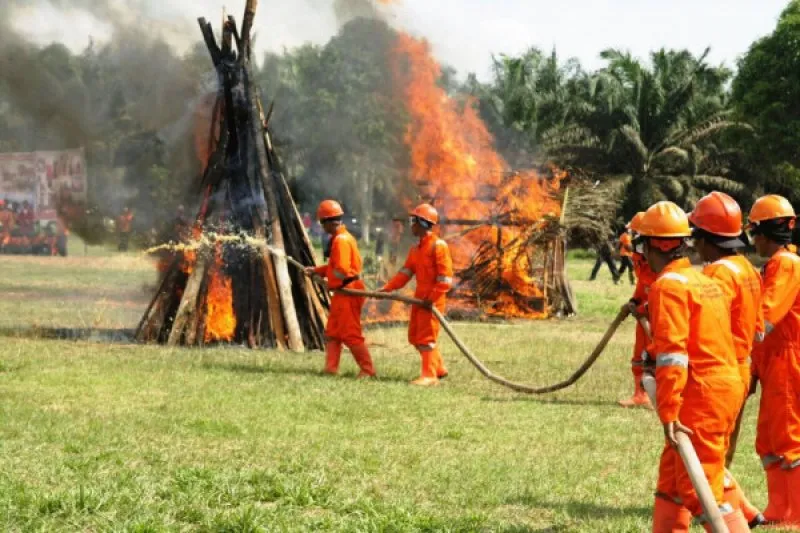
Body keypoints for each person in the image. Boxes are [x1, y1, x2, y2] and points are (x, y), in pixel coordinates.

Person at [637, 201, 749, 532]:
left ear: (649, 246)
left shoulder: (668, 286)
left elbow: (674, 355)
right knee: (673, 478)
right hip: (720, 386)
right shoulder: (702, 280)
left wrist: (668, 412)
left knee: (700, 487)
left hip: (702, 395)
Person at [688, 191, 766, 528]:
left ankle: (730, 518)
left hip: (718, 372)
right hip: (741, 367)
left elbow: (704, 325)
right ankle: (748, 511)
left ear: (707, 239)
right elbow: (759, 327)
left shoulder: (718, 275)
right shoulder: (747, 268)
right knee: (717, 451)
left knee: (708, 455)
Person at [747, 194, 800, 526]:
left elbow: (765, 318)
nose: (755, 241)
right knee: (768, 438)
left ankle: (794, 512)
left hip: (788, 360)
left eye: (755, 234)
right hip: (773, 362)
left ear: (764, 233)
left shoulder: (787, 265)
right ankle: (780, 510)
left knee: (788, 437)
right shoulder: (777, 264)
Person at [380, 204, 453, 386]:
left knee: (426, 339)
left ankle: (429, 376)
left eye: (413, 221)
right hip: (419, 299)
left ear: (422, 223)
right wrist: (388, 287)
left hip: (432, 301)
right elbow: (405, 272)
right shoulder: (416, 249)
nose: (410, 226)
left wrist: (431, 299)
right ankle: (438, 367)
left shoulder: (438, 246)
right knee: (414, 337)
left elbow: (445, 279)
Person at [306, 200, 376, 379]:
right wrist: (317, 271)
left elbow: (342, 270)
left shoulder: (341, 241)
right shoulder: (341, 238)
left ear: (329, 222)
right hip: (342, 291)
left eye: (322, 223)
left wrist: (326, 278)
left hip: (349, 291)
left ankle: (368, 370)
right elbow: (334, 266)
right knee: (333, 332)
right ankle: (331, 369)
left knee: (350, 333)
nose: (322, 227)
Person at [618, 212, 655, 409]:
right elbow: (643, 283)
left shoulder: (658, 259)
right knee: (639, 354)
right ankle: (640, 394)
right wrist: (635, 300)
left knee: (657, 355)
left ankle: (661, 396)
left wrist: (644, 307)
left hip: (658, 315)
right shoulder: (639, 257)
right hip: (643, 312)